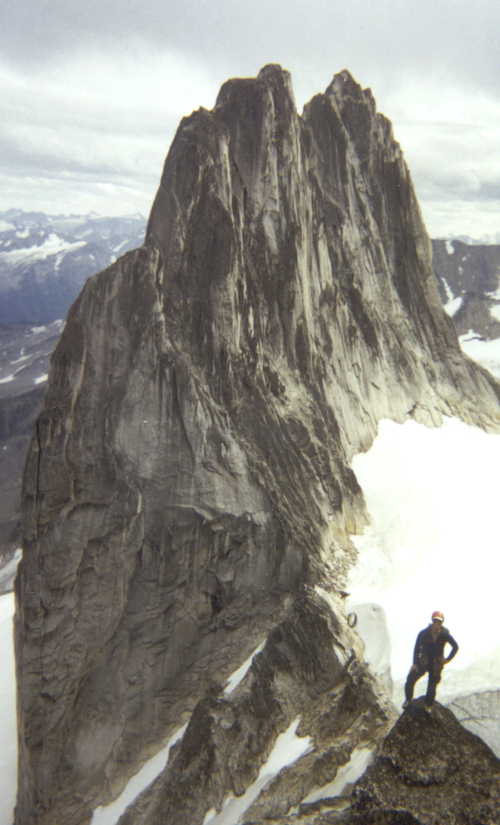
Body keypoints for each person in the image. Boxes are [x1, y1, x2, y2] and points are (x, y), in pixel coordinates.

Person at [403, 610, 458, 712]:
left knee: (432, 685)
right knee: (410, 679)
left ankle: (428, 705)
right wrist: (415, 663)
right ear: (432, 621)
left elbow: (455, 647)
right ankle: (408, 700)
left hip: (436, 663)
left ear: (441, 623)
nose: (437, 624)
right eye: (435, 621)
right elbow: (416, 648)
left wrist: (447, 660)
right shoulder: (423, 634)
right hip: (424, 661)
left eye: (439, 622)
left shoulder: (445, 634)